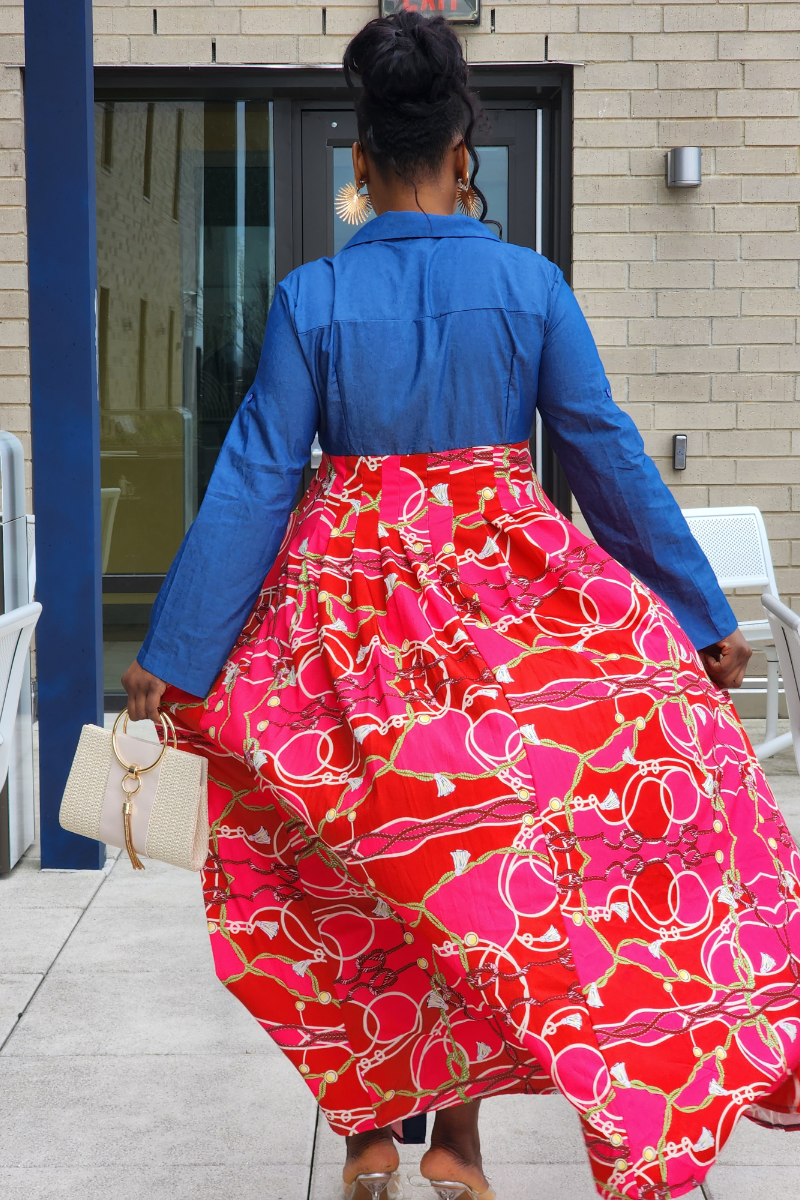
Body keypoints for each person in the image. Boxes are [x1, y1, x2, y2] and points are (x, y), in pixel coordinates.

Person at [123, 12, 800, 1200]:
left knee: (341, 857)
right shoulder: (527, 284)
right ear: (462, 155)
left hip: (344, 621)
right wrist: (696, 614)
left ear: (360, 163)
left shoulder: (310, 296)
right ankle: (458, 1140)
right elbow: (604, 457)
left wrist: (174, 657)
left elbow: (253, 479)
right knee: (475, 866)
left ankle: (372, 1131)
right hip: (501, 615)